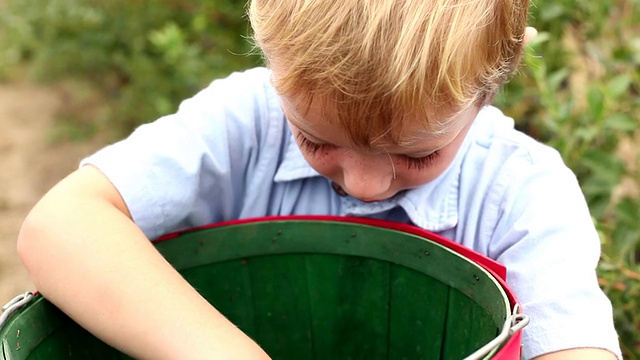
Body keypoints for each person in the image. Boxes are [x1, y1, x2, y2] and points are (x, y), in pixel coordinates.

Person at [17, 0, 621, 359]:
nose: (362, 185)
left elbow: (576, 346)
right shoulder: (246, 124)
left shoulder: (521, 193)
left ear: (490, 88)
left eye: (417, 154)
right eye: (317, 139)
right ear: (272, 66)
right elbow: (62, 226)